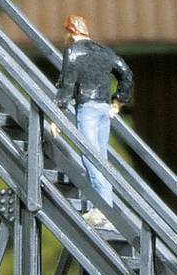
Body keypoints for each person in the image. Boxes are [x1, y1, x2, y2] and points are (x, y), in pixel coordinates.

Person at [54, 14, 133, 229]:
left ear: (70, 32)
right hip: (103, 108)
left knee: (90, 158)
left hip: (87, 108)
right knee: (101, 157)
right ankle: (97, 208)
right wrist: (118, 102)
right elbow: (126, 74)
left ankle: (104, 211)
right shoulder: (104, 52)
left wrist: (58, 115)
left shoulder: (73, 51)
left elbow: (68, 85)